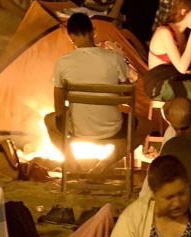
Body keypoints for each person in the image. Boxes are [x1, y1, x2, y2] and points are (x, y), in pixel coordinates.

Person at [44, 13, 142, 166]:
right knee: (145, 125)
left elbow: (58, 106)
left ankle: (74, 165)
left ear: (71, 37)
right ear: (93, 31)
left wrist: (68, 120)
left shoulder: (63, 63)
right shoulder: (114, 57)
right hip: (114, 128)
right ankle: (107, 162)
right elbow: (127, 94)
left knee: (48, 120)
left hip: (78, 129)